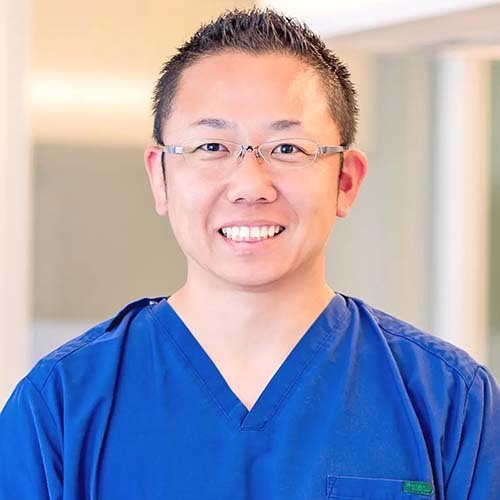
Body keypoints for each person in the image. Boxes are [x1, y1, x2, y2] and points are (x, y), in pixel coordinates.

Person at [1, 7, 499, 500]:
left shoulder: (450, 402)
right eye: (211, 147)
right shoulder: (60, 406)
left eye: (288, 149)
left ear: (346, 181)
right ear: (160, 177)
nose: (250, 186)